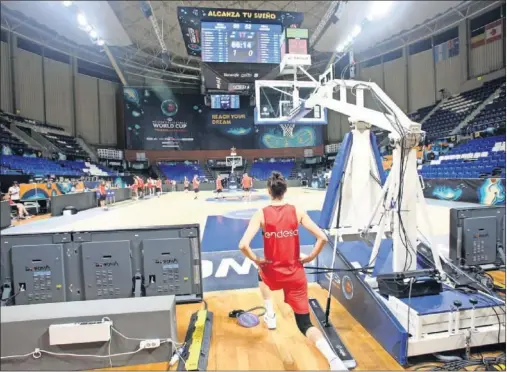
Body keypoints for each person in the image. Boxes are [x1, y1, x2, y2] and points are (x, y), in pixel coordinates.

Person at [238, 172, 347, 371]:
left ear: (268, 191)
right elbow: (322, 237)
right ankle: (334, 361)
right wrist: (310, 257)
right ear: (285, 190)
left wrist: (258, 260)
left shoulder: (261, 213)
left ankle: (269, 313)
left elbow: (243, 245)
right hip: (295, 274)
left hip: (271, 273)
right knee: (305, 324)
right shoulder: (297, 211)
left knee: (259, 273)